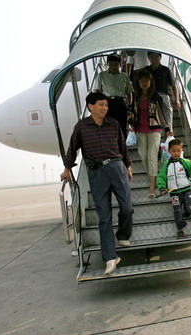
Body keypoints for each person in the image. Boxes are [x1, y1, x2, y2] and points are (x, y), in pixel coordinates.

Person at [60, 92, 133, 275]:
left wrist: (129, 166)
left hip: (116, 167)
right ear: (90, 106)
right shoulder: (82, 127)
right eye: (101, 105)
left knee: (127, 207)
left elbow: (122, 146)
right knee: (104, 217)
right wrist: (67, 169)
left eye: (106, 105)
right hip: (96, 172)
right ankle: (110, 257)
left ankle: (123, 234)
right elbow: (72, 148)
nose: (105, 108)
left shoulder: (113, 124)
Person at [156, 139, 191, 238]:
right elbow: (161, 177)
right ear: (169, 151)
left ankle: (188, 211)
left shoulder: (185, 162)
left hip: (186, 190)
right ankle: (180, 229)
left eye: (178, 151)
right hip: (174, 193)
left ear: (182, 151)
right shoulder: (166, 165)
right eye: (174, 151)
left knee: (190, 206)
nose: (176, 153)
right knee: (177, 210)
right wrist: (162, 188)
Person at [130, 69, 166, 198]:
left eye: (147, 80)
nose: (144, 83)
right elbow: (132, 113)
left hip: (154, 130)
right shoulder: (135, 97)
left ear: (151, 81)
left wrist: (166, 128)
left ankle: (152, 188)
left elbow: (162, 114)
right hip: (140, 130)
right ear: (138, 82)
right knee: (143, 156)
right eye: (142, 80)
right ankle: (153, 176)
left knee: (152, 157)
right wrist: (131, 125)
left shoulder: (156, 96)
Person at [92, 54, 134, 136]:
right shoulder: (102, 75)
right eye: (111, 64)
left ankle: (121, 147)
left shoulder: (124, 76)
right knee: (107, 127)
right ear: (107, 64)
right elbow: (97, 90)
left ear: (120, 64)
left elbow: (129, 92)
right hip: (107, 103)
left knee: (121, 127)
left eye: (116, 64)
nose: (114, 67)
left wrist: (130, 105)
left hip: (120, 103)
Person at [144, 51, 181, 131]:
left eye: (156, 57)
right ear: (149, 58)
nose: (154, 59)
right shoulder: (146, 70)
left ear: (160, 57)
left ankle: (169, 138)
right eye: (152, 57)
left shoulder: (166, 70)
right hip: (150, 96)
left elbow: (174, 85)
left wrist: (177, 100)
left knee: (167, 119)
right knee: (152, 120)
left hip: (163, 96)